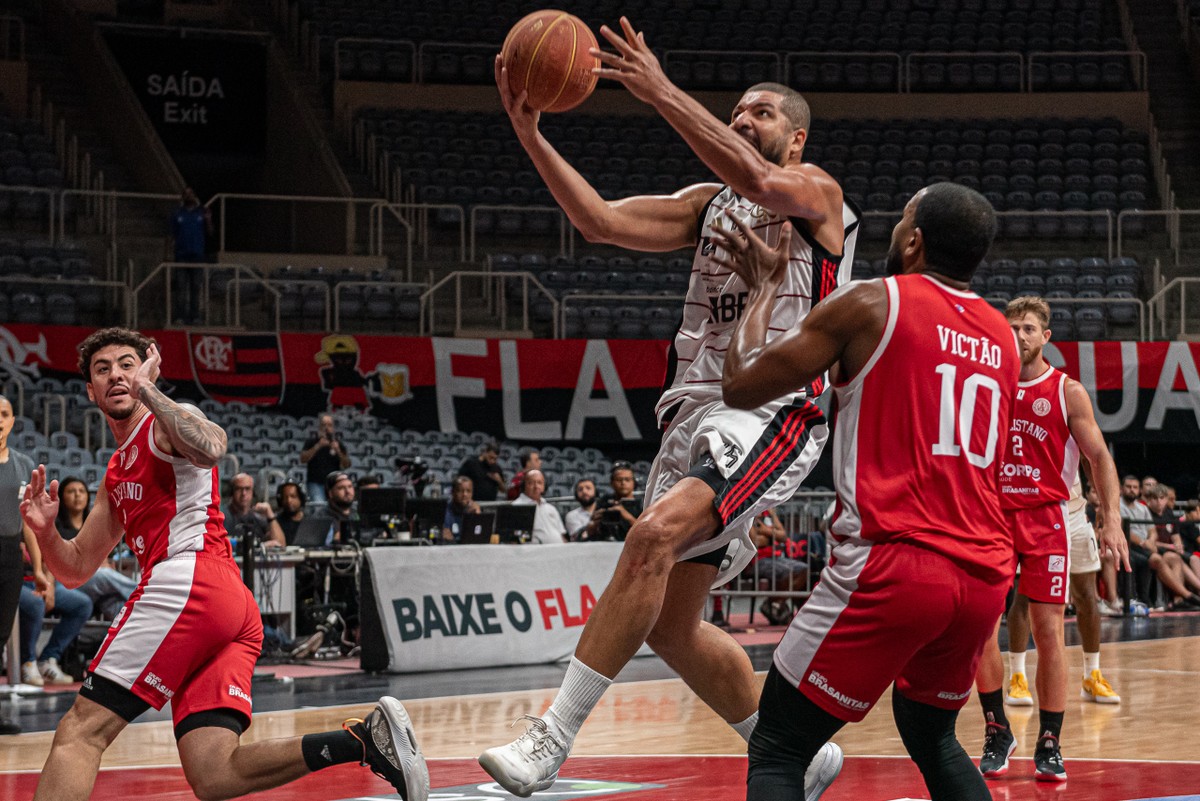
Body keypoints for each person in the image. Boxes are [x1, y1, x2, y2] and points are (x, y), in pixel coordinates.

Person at [480, 17, 857, 798]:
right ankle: (794, 748)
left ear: (796, 137)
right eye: (739, 110)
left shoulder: (816, 192)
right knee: (669, 624)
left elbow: (759, 182)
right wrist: (531, 134)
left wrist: (655, 88)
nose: (743, 118)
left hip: (773, 406)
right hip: (691, 412)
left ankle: (552, 737)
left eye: (761, 113)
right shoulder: (704, 203)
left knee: (652, 535)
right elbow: (600, 221)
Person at [718, 183, 1051, 801]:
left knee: (779, 747)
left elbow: (739, 386)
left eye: (902, 219)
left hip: (895, 562)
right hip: (982, 577)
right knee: (935, 738)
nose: (895, 227)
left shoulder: (871, 303)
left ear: (915, 239)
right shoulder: (1004, 339)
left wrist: (765, 287)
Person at [19, 327, 427, 801]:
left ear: (146, 369)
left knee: (80, 732)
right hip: (224, 603)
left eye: (127, 364)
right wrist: (47, 533)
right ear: (90, 390)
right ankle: (365, 741)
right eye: (103, 369)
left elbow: (211, 446)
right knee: (215, 775)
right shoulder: (116, 471)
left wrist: (149, 391)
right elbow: (75, 568)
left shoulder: (166, 422)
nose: (117, 376)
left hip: (189, 583)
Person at [973, 294, 1129, 783]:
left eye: (1028, 328)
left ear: (1046, 337)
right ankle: (997, 729)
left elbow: (1098, 458)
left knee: (1048, 633)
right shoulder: (985, 387)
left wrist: (1112, 520)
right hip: (992, 517)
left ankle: (1050, 741)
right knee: (979, 629)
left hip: (1046, 518)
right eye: (1012, 326)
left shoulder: (1067, 391)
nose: (1019, 335)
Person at [0, 394, 36, 733]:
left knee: (0, 634)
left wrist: (40, 570)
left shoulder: (24, 464)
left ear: (12, 421)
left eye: (4, 414)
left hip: (10, 554)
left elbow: (30, 525)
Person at [56, 477, 137, 621]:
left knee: (114, 602)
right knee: (104, 575)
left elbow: (103, 557)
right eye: (71, 491)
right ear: (62, 496)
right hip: (69, 582)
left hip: (93, 584)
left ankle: (139, 624)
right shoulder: (58, 527)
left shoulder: (94, 524)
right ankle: (143, 595)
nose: (77, 495)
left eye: (81, 491)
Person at [18, 543, 93, 685]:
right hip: (15, 583)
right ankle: (28, 662)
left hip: (38, 581)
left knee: (81, 605)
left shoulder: (34, 525)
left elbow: (48, 559)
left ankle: (48, 659)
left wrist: (49, 586)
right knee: (35, 603)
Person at [747, 509, 808, 626]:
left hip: (777, 558)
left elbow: (783, 536)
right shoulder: (749, 515)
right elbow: (755, 541)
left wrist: (766, 529)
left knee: (803, 568)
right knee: (789, 571)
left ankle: (773, 602)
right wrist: (773, 535)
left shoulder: (768, 515)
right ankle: (775, 604)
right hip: (758, 560)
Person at [168, 186, 213, 325]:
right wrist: (167, 254)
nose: (188, 196)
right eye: (186, 194)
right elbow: (171, 236)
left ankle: (195, 316)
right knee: (181, 287)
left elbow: (210, 233)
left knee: (195, 287)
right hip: (181, 256)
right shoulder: (177, 214)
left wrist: (208, 219)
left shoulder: (201, 213)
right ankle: (180, 316)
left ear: (194, 196)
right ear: (183, 197)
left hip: (197, 256)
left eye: (191, 193)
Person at [580, 461, 640, 542]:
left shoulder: (641, 503)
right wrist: (594, 523)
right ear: (611, 483)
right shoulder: (604, 501)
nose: (623, 483)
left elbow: (645, 531)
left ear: (634, 483)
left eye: (627, 479)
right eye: (619, 479)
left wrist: (624, 514)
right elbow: (591, 531)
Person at [299, 414, 351, 504]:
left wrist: (338, 450)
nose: (326, 428)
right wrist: (318, 446)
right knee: (319, 506)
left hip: (334, 484)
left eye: (329, 425)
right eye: (324, 425)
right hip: (315, 482)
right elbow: (303, 459)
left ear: (333, 428)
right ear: (319, 427)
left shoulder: (338, 444)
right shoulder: (311, 442)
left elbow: (347, 464)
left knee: (336, 507)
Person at [224, 473, 285, 549]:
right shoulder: (222, 515)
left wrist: (270, 516)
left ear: (253, 492)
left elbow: (280, 544)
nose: (244, 493)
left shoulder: (258, 518)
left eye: (247, 489)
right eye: (239, 489)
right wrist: (258, 545)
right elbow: (218, 541)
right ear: (231, 492)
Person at [1120, 475, 1155, 604]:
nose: (1132, 490)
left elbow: (1152, 529)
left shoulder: (1143, 507)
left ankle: (1149, 599)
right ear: (1121, 488)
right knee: (1137, 560)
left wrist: (1151, 541)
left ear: (1139, 490)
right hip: (1128, 544)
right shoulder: (1117, 505)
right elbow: (1124, 528)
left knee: (1158, 558)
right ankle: (1131, 600)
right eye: (1128, 487)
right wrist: (1143, 543)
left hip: (1145, 545)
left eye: (1135, 487)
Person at [512, 469, 567, 544]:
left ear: (544, 486)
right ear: (524, 486)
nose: (536, 486)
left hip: (558, 551)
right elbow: (514, 537)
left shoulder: (551, 508)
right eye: (531, 483)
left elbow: (561, 534)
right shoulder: (516, 507)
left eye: (539, 483)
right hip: (533, 553)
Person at [442, 476, 481, 543]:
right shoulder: (444, 510)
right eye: (460, 491)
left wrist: (477, 517)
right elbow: (446, 535)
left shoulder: (475, 510)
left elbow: (480, 537)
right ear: (453, 492)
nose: (464, 494)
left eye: (468, 491)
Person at [272, 481, 307, 546]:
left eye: (293, 496)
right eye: (285, 497)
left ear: (301, 498)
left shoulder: (310, 521)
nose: (289, 501)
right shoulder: (275, 523)